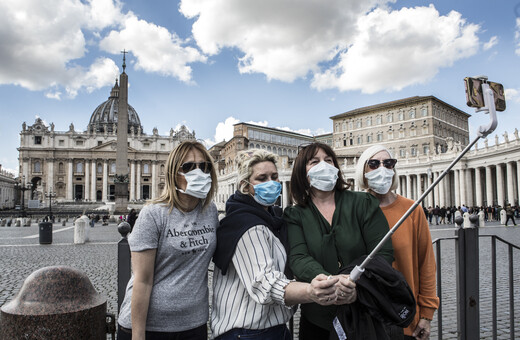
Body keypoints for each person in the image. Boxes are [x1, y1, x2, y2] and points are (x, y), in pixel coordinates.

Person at [211, 149, 341, 340]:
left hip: (272, 328)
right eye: (261, 178)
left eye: (274, 176)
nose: (270, 183)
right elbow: (265, 284)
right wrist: (310, 291)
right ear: (245, 186)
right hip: (247, 332)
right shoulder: (247, 226)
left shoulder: (272, 218)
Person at [283, 142, 393, 339]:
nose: (323, 165)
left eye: (328, 160)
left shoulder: (363, 203)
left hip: (364, 312)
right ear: (302, 172)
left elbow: (382, 253)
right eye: (314, 162)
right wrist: (331, 283)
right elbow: (299, 257)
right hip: (317, 319)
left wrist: (355, 286)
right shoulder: (294, 214)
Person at [117, 141, 218, 340]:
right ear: (174, 174)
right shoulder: (153, 214)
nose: (199, 172)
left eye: (204, 166)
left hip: (194, 323)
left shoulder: (210, 211)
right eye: (189, 166)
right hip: (151, 328)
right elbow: (142, 281)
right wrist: (138, 336)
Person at [355, 144, 439, 340]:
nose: (382, 169)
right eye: (374, 164)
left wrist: (426, 315)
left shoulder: (412, 209)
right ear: (363, 170)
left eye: (389, 163)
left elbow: (426, 264)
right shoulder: (354, 209)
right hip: (366, 318)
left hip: (406, 317)